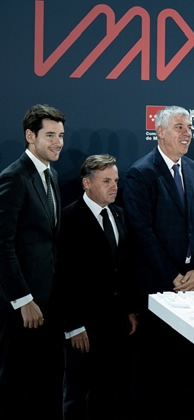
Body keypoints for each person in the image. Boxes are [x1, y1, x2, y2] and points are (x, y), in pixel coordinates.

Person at [123, 106, 194, 419]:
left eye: (189, 127)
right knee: (158, 376)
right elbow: (141, 232)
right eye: (179, 127)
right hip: (160, 291)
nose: (187, 133)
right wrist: (173, 276)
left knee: (192, 373)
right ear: (160, 131)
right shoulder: (141, 172)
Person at [56, 154, 137, 420]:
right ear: (87, 183)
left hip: (116, 323)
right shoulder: (69, 218)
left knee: (112, 389)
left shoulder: (119, 214)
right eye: (106, 181)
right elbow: (63, 277)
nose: (114, 186)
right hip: (85, 326)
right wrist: (73, 326)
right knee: (78, 393)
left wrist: (129, 310)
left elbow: (124, 269)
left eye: (116, 180)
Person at [0, 104, 65, 420]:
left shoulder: (51, 175)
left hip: (49, 304)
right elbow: (2, 245)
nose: (58, 142)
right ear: (30, 136)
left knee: (46, 386)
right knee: (17, 387)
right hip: (22, 309)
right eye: (50, 135)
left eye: (61, 136)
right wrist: (23, 299)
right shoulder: (14, 177)